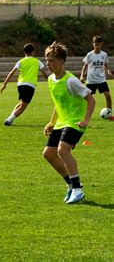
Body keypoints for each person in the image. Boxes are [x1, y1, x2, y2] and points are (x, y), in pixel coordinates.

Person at [43, 41, 95, 204]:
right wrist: (52, 122)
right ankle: (71, 185)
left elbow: (91, 100)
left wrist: (85, 120)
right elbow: (59, 103)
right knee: (48, 154)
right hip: (62, 122)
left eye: (51, 60)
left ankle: (78, 189)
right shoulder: (51, 80)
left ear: (61, 61)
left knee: (63, 150)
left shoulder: (71, 81)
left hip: (75, 121)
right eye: (46, 60)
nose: (48, 64)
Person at [0, 43, 49, 126]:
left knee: (21, 103)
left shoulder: (21, 61)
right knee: (23, 107)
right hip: (30, 85)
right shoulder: (37, 61)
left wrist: (4, 84)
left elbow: (11, 73)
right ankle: (9, 120)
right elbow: (45, 75)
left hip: (20, 85)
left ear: (24, 52)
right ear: (33, 52)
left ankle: (10, 118)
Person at [79, 35, 112, 111]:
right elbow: (85, 66)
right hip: (91, 80)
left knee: (107, 95)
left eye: (98, 44)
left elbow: (105, 65)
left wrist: (108, 71)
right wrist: (81, 76)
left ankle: (109, 112)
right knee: (86, 98)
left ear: (101, 44)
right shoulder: (89, 54)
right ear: (93, 44)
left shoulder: (104, 54)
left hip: (101, 80)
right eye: (95, 44)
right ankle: (83, 113)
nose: (97, 46)